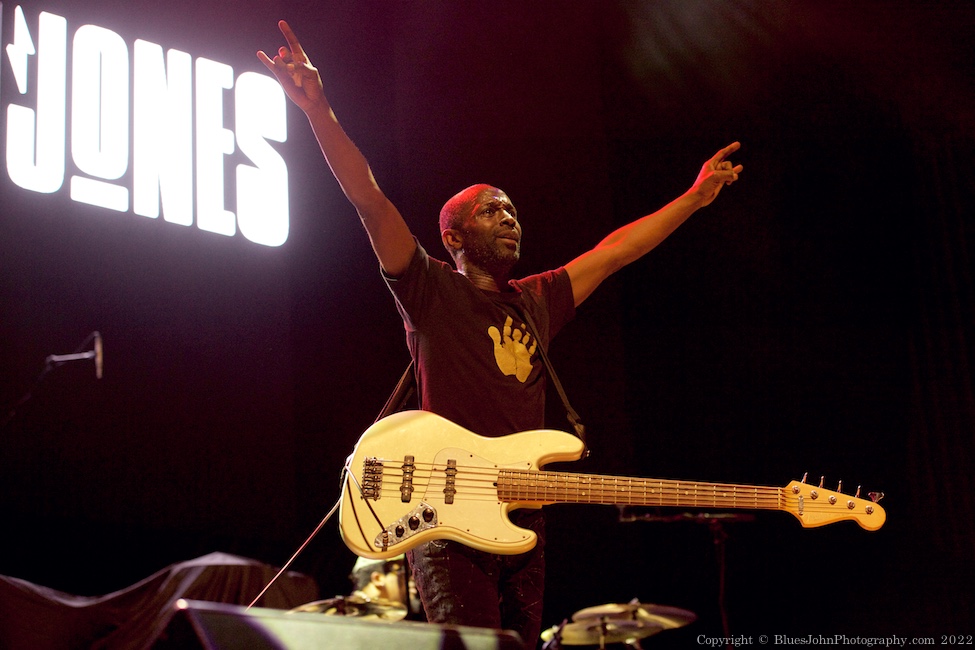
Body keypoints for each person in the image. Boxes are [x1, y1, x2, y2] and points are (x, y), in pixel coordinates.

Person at [258, 19, 741, 648]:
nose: (509, 217)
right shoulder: (429, 288)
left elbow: (615, 251)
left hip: (522, 518)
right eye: (491, 210)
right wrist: (318, 109)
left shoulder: (538, 300)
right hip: (447, 518)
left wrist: (694, 198)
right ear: (454, 235)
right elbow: (369, 199)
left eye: (511, 209)